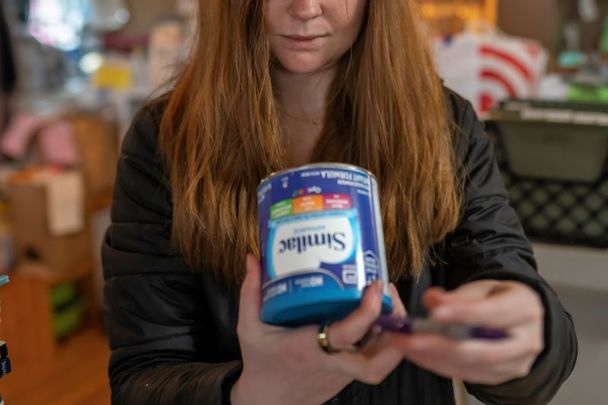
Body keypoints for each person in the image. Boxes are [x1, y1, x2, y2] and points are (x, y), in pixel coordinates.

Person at [102, 1, 577, 404]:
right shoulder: (165, 140)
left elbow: (503, 271)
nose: (305, 9)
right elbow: (142, 377)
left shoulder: (443, 125)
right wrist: (251, 393)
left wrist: (527, 332)